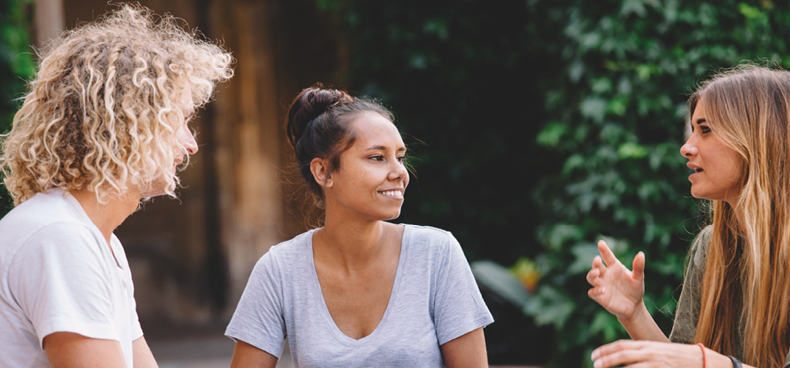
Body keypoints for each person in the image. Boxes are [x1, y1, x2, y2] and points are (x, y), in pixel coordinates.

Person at [0, 5, 233, 367]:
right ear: (130, 124)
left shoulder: (95, 239)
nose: (191, 144)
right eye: (182, 120)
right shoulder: (61, 238)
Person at [225, 85, 494, 368]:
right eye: (377, 157)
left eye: (400, 157)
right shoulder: (280, 270)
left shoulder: (436, 255)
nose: (400, 172)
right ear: (323, 171)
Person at [586, 66, 790, 368]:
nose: (687, 147)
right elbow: (683, 363)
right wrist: (635, 314)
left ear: (759, 140)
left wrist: (709, 361)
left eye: (705, 130)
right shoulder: (711, 248)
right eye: (692, 130)